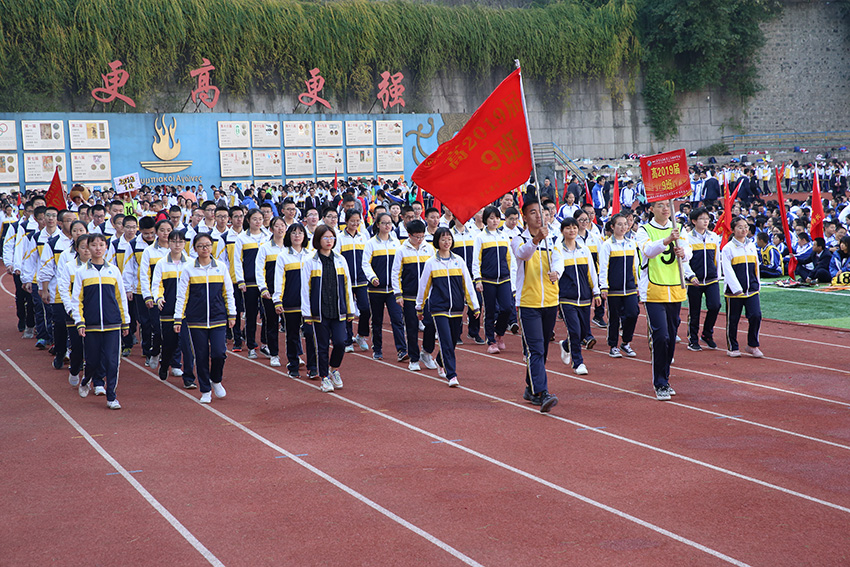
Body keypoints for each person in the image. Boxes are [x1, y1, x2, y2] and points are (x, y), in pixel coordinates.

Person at [635, 200, 692, 401]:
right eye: (660, 205)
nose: (666, 209)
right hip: (654, 291)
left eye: (668, 205)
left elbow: (688, 251)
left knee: (672, 336)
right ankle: (660, 383)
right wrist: (668, 240)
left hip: (675, 288)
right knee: (661, 336)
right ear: (651, 209)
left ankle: (665, 378)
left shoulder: (679, 228)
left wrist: (684, 253)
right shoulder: (644, 230)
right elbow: (648, 251)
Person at [511, 197, 563, 413]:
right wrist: (536, 240)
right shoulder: (518, 239)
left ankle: (530, 388)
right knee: (535, 349)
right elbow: (523, 254)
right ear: (524, 217)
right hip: (528, 302)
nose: (538, 216)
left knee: (542, 349)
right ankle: (542, 393)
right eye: (533, 212)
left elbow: (559, 259)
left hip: (550, 300)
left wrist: (557, 272)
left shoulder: (554, 238)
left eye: (541, 212)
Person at [174, 234, 236, 404]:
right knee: (201, 356)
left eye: (207, 245)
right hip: (196, 320)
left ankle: (216, 379)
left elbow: (228, 292)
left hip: (218, 317)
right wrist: (178, 318)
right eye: (201, 246)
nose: (205, 249)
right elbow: (182, 296)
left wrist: (232, 314)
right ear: (195, 249)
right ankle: (205, 390)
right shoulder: (189, 269)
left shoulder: (221, 267)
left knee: (219, 353)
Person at [71, 233, 130, 409]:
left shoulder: (113, 270)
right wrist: (80, 321)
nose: (98, 248)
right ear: (88, 247)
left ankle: (111, 396)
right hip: (91, 324)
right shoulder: (82, 272)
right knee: (93, 361)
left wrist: (125, 321)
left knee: (112, 362)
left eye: (101, 245)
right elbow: (77, 300)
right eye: (94, 245)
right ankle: (86, 379)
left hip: (113, 324)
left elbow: (121, 298)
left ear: (106, 247)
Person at [415, 227, 479, 386]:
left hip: (456, 307)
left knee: (453, 340)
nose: (446, 242)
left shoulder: (459, 261)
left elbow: (468, 285)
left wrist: (474, 306)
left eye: (449, 239)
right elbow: (423, 287)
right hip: (439, 308)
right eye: (443, 239)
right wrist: (419, 307)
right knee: (445, 340)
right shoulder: (431, 263)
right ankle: (452, 375)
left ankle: (440, 360)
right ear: (437, 241)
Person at [301, 225, 357, 393]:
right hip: (319, 311)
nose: (329, 241)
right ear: (318, 240)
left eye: (331, 237)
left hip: (338, 309)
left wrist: (350, 309)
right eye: (325, 237)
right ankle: (324, 377)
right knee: (323, 346)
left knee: (340, 342)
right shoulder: (310, 261)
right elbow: (305, 289)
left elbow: (347, 285)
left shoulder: (340, 259)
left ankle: (334, 369)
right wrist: (307, 313)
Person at [151, 230, 197, 388]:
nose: (177, 245)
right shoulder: (161, 263)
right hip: (168, 309)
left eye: (180, 242)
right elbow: (157, 284)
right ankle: (164, 365)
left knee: (188, 346)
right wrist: (158, 297)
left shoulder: (191, 263)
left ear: (185, 244)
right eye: (174, 241)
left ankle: (189, 378)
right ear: (169, 243)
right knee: (169, 344)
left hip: (186, 311)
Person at [392, 219, 438, 372]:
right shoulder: (401, 250)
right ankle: (414, 358)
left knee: (430, 324)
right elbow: (395, 273)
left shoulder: (429, 249)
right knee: (411, 328)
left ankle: (426, 351)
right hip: (410, 296)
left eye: (422, 236)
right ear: (409, 235)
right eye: (417, 237)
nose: (420, 239)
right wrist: (398, 294)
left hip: (427, 296)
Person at [274, 224, 318, 379]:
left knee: (310, 334)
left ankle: (313, 367)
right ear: (289, 236)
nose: (297, 236)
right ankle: (293, 365)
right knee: (292, 334)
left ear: (305, 236)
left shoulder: (312, 255)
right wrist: (277, 300)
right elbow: (279, 280)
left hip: (309, 303)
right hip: (291, 301)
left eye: (300, 233)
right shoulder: (283, 256)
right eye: (294, 233)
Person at [556, 217, 599, 375]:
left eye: (574, 227)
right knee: (574, 330)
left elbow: (591, 272)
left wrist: (596, 292)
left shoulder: (584, 249)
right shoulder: (558, 251)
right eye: (568, 228)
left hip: (585, 297)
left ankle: (566, 345)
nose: (572, 230)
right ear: (562, 231)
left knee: (582, 332)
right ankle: (578, 362)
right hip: (567, 297)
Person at [362, 212, 407, 362]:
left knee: (397, 319)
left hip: (393, 290)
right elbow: (365, 264)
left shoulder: (396, 243)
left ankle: (402, 350)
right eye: (384, 223)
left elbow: (400, 264)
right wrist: (372, 277)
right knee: (377, 320)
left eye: (389, 223)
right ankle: (377, 349)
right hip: (376, 289)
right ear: (377, 224)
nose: (387, 225)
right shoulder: (371, 243)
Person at [598, 213, 639, 358]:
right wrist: (603, 286)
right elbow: (603, 267)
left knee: (633, 313)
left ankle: (626, 342)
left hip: (630, 287)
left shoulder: (631, 243)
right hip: (614, 288)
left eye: (625, 224)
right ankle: (613, 345)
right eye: (619, 224)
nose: (623, 227)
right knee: (614, 317)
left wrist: (637, 284)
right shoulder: (607, 245)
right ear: (612, 226)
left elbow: (635, 266)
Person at [721, 217, 763, 358]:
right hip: (734, 292)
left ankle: (752, 345)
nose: (744, 230)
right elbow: (727, 270)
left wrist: (757, 283)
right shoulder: (728, 248)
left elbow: (755, 266)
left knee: (756, 315)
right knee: (733, 319)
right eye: (740, 227)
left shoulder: (751, 246)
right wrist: (736, 288)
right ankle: (732, 347)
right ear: (733, 230)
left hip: (752, 289)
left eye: (746, 227)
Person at [473, 206, 513, 354]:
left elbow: (510, 258)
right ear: (486, 220)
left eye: (497, 218)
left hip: (504, 279)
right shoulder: (480, 237)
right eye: (491, 218)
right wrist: (477, 279)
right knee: (490, 311)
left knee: (507, 308)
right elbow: (476, 260)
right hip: (488, 280)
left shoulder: (504, 236)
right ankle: (491, 341)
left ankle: (499, 334)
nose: (495, 221)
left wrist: (512, 277)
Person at [683, 207, 722, 351]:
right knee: (695, 311)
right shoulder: (687, 238)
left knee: (715, 305)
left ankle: (707, 334)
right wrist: (690, 275)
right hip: (695, 280)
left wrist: (718, 274)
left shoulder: (713, 236)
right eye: (702, 219)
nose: (705, 221)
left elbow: (717, 256)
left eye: (707, 219)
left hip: (711, 279)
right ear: (694, 221)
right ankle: (693, 339)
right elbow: (684, 260)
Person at [234, 209, 270, 359]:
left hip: (266, 281)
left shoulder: (268, 236)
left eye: (260, 219)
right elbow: (237, 261)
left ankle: (265, 343)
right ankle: (251, 345)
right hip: (249, 281)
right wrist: (240, 280)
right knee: (251, 314)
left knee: (267, 314)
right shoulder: (241, 238)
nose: (258, 222)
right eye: (255, 219)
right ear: (248, 220)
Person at [56, 228, 89, 386]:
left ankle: (94, 379)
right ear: (77, 249)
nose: (87, 250)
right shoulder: (70, 267)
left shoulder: (102, 267)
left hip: (93, 313)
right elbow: (64, 289)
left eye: (90, 246)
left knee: (94, 348)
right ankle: (75, 369)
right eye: (83, 247)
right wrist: (71, 309)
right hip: (74, 313)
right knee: (77, 346)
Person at [139, 219, 173, 369]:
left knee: (173, 330)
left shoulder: (178, 250)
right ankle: (155, 352)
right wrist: (147, 295)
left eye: (168, 230)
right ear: (156, 232)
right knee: (157, 329)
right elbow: (144, 275)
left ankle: (173, 362)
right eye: (162, 230)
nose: (166, 233)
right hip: (155, 296)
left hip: (172, 296)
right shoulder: (149, 251)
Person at [337, 209, 371, 352]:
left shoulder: (363, 237)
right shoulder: (339, 238)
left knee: (365, 309)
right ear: (346, 221)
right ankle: (348, 339)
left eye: (358, 221)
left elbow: (368, 257)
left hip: (362, 279)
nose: (355, 223)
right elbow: (337, 259)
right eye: (352, 221)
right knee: (347, 311)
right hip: (346, 280)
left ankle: (361, 335)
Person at [256, 217, 287, 368]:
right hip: (270, 291)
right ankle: (274, 354)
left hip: (288, 292)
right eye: (277, 226)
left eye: (282, 226)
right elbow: (259, 269)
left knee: (291, 325)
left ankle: (294, 355)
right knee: (272, 322)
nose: (280, 229)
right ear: (271, 229)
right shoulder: (265, 248)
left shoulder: (290, 248)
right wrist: (263, 288)